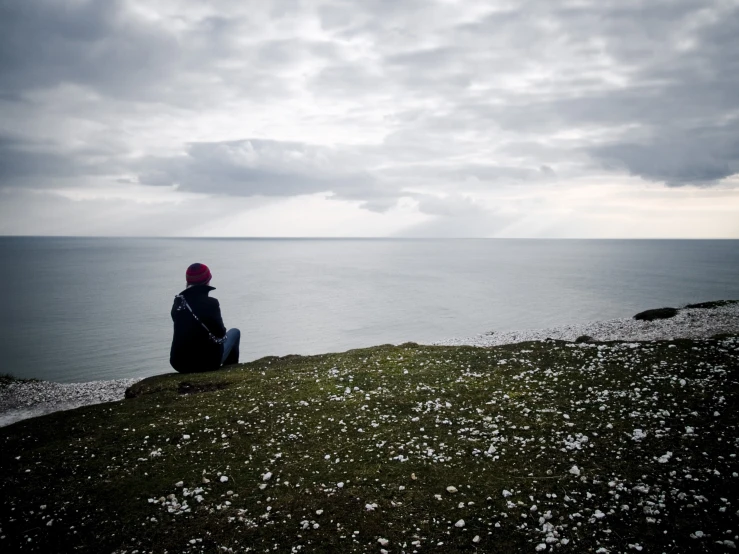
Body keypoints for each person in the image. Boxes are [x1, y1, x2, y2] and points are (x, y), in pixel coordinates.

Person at [169, 263, 241, 373]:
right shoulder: (211, 304)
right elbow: (220, 334)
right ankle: (229, 372)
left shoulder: (178, 302)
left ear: (187, 281)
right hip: (206, 363)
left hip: (179, 363)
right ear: (207, 280)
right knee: (235, 332)